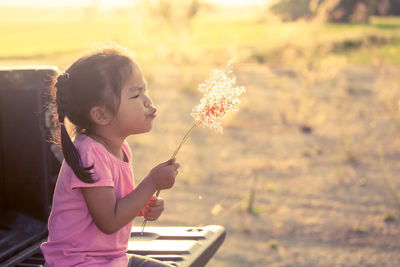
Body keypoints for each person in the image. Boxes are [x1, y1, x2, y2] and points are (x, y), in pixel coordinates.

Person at [40, 45, 180, 267]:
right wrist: (152, 182)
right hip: (77, 263)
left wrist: (141, 205)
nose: (147, 101)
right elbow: (109, 220)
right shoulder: (89, 154)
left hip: (110, 260)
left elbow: (110, 206)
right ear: (101, 115)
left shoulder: (119, 148)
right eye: (135, 94)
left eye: (145, 90)